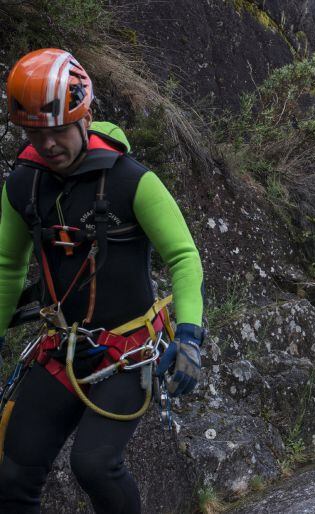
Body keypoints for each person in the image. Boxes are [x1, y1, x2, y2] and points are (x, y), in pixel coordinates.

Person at [0, 48, 204, 513]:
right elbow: (6, 266)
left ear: (84, 118)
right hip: (63, 348)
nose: (47, 143)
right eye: (35, 132)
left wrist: (189, 336)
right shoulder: (24, 184)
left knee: (94, 464)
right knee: (14, 472)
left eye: (56, 131)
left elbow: (184, 257)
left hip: (129, 352)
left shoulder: (132, 180)